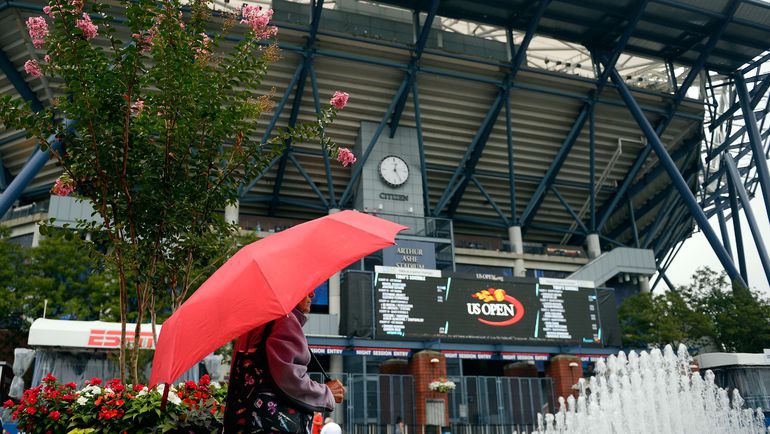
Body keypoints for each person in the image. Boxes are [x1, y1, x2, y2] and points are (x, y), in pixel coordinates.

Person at [225, 291, 346, 433]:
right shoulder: (285, 321)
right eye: (306, 290)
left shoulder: (257, 323)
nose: (312, 295)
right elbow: (290, 379)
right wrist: (327, 392)